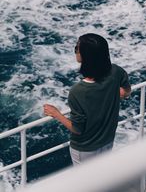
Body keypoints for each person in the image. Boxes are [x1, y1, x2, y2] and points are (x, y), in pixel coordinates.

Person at [43, 33, 131, 165]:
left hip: (85, 148)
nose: (75, 51)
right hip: (107, 139)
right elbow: (126, 91)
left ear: (85, 56)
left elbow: (77, 129)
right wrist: (108, 95)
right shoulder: (116, 72)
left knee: (87, 182)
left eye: (77, 48)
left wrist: (56, 114)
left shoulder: (78, 91)